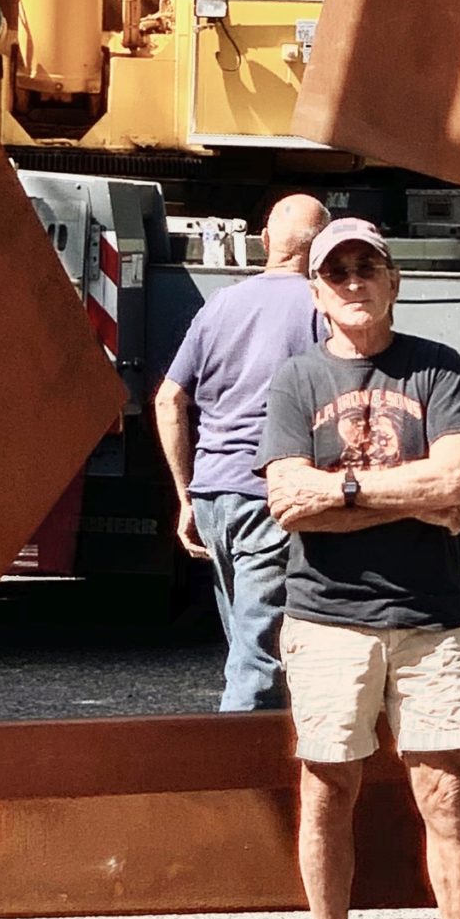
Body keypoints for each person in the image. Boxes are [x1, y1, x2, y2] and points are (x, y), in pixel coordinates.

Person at [260, 216, 460, 919]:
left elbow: (456, 478)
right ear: (318, 290)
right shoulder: (295, 380)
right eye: (337, 272)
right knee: (327, 795)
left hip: (430, 619)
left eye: (368, 267)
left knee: (446, 793)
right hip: (326, 618)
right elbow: (286, 499)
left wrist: (344, 491)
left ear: (393, 280)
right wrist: (406, 494)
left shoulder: (439, 369)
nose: (353, 282)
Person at [153, 193, 326, 711]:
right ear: (319, 253)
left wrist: (185, 496)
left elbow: (169, 399)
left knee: (244, 641)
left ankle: (255, 753)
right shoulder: (321, 309)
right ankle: (243, 774)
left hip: (213, 494)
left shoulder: (221, 304)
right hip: (270, 493)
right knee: (258, 658)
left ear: (266, 240)